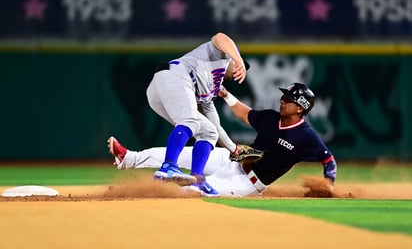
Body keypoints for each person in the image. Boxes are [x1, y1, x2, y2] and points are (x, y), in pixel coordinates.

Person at [108, 82, 337, 197]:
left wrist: (329, 184)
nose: (282, 100)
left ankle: (150, 194)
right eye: (284, 96)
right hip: (230, 160)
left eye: (288, 98)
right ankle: (127, 158)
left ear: (300, 107)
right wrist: (226, 95)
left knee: (195, 191)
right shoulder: (270, 117)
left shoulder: (307, 136)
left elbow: (329, 161)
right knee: (182, 154)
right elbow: (243, 112)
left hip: (247, 182)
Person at [109, 32, 249, 196]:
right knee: (190, 120)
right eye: (240, 65)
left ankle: (197, 180)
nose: (240, 69)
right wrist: (238, 59)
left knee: (208, 132)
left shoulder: (213, 89)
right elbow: (219, 37)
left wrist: (234, 149)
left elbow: (216, 128)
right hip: (174, 76)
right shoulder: (222, 56)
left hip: (162, 91)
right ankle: (168, 166)